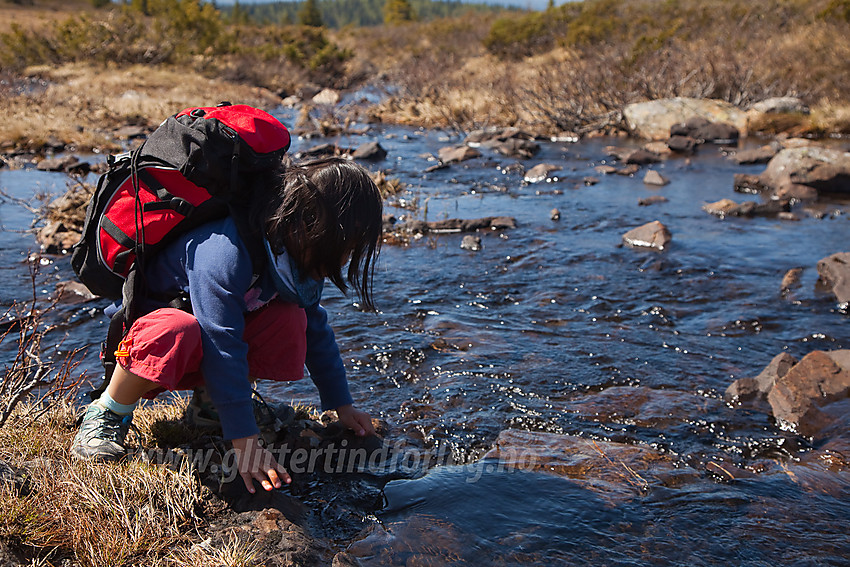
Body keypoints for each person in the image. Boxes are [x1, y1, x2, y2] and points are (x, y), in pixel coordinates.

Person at [71, 156, 382, 494]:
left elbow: (316, 330)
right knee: (178, 329)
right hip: (153, 351)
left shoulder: (291, 251)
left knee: (293, 318)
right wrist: (245, 441)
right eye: (345, 249)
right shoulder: (226, 252)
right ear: (313, 225)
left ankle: (210, 407)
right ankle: (108, 413)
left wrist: (342, 405)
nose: (345, 260)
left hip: (203, 344)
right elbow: (222, 346)